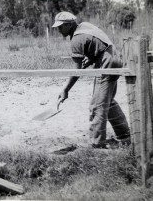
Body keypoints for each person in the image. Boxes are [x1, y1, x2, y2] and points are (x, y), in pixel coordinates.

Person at [52, 11, 130, 148]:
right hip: (115, 59)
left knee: (97, 105)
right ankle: (124, 136)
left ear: (69, 25)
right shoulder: (85, 26)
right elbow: (99, 44)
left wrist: (65, 90)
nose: (58, 30)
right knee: (108, 101)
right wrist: (92, 58)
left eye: (61, 26)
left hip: (107, 63)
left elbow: (77, 71)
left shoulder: (76, 39)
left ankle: (97, 143)